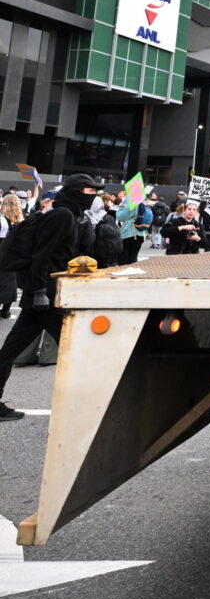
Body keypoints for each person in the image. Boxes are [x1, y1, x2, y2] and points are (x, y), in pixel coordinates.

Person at [0, 174, 103, 421]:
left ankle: (91, 403)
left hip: (46, 295)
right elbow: (41, 255)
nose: (94, 196)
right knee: (81, 349)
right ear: (77, 192)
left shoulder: (67, 214)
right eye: (90, 191)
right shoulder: (62, 216)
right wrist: (38, 293)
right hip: (45, 297)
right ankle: (94, 404)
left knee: (9, 351)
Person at [0, 193, 22, 318]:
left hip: (2, 252)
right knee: (10, 282)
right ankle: (6, 310)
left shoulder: (2, 219)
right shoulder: (21, 220)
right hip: (14, 255)